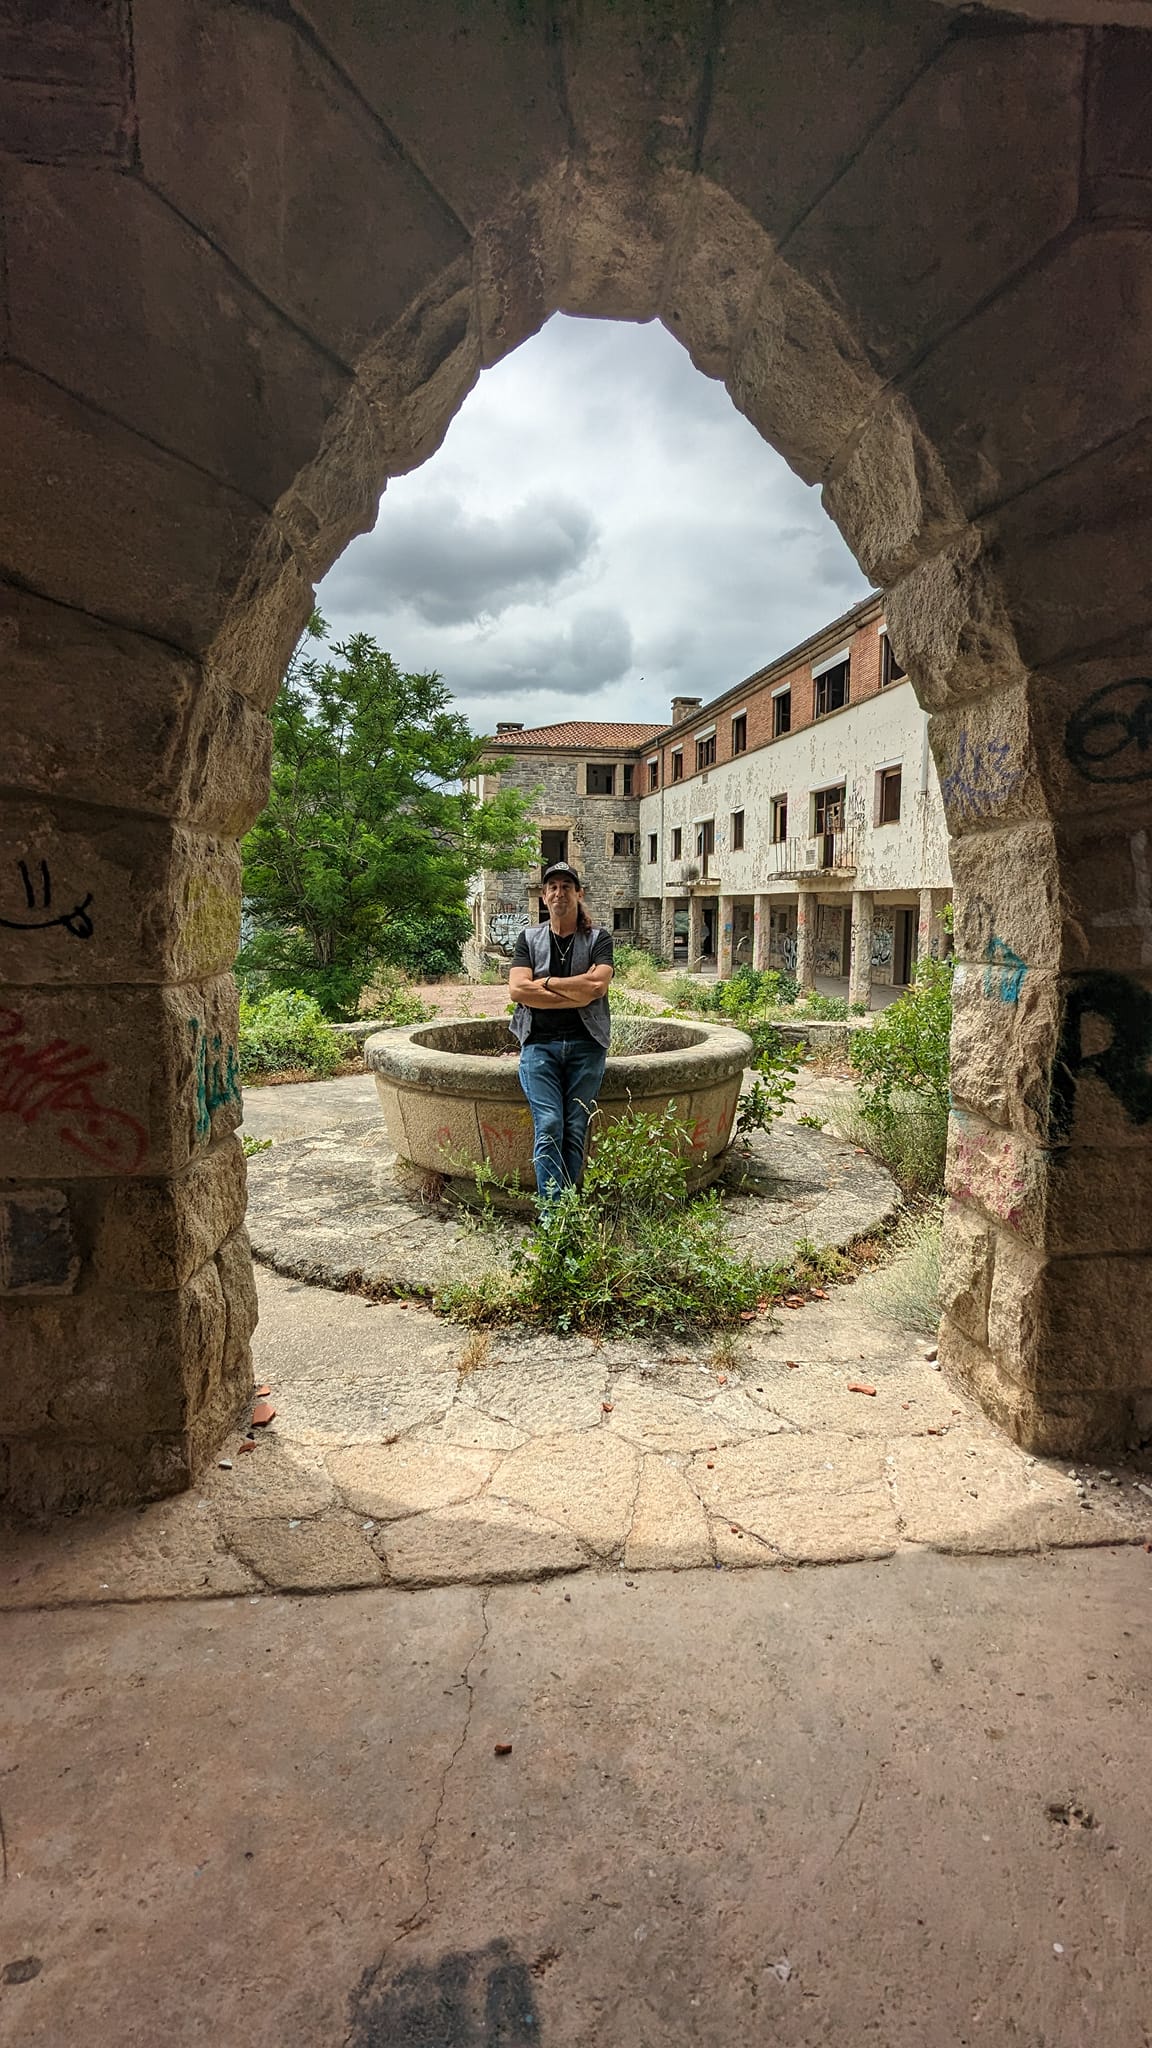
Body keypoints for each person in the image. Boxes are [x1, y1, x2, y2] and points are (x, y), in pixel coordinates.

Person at [508, 862, 614, 1208]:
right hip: (540, 1044)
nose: (559, 893)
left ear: (578, 894)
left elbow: (596, 987)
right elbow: (518, 991)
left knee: (575, 1127)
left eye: (566, 886)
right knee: (550, 1123)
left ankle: (568, 1212)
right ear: (544, 895)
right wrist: (575, 990)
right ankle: (553, 1216)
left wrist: (548, 983)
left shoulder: (598, 939)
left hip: (586, 1045)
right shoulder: (529, 938)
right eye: (552, 886)